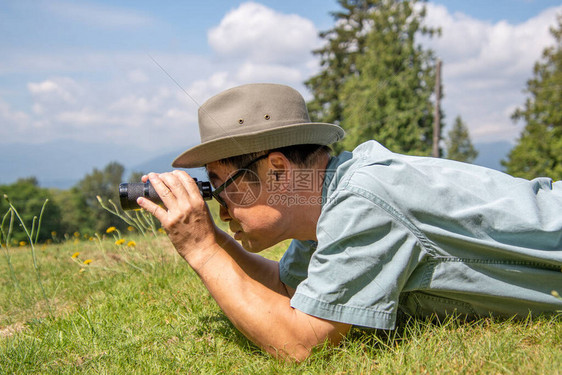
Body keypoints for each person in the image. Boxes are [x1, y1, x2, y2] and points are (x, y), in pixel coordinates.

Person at [138, 83, 562, 361]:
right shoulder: (326, 200)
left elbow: (300, 342)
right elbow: (292, 290)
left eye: (221, 185)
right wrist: (211, 236)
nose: (222, 206)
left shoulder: (361, 202)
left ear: (280, 170)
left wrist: (202, 251)